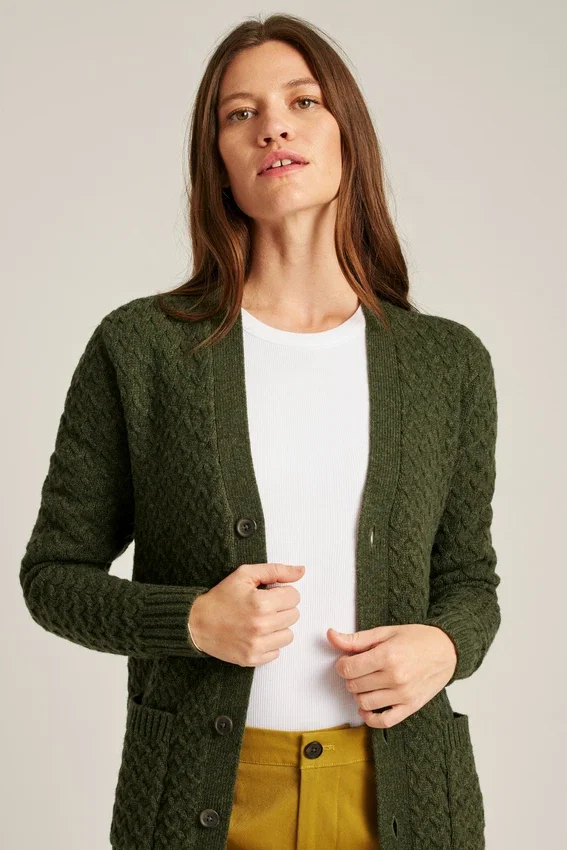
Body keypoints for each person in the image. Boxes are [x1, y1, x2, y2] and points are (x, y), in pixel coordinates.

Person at [20, 13, 500, 850]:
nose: (272, 126)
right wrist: (191, 621)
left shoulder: (444, 363)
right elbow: (51, 577)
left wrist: (446, 646)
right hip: (203, 802)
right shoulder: (143, 349)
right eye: (239, 114)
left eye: (301, 101)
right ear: (218, 162)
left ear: (346, 132)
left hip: (401, 801)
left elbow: (468, 580)